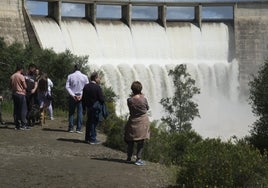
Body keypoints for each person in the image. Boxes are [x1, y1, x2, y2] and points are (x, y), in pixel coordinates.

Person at [124, 81, 150, 166]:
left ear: (132, 90)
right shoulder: (143, 99)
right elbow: (147, 108)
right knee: (141, 141)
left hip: (132, 121)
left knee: (131, 141)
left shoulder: (129, 100)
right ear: (140, 89)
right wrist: (142, 96)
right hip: (142, 122)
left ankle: (128, 158)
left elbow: (132, 104)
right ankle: (138, 159)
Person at [82, 72, 106, 144]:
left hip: (88, 107)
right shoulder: (97, 87)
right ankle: (93, 139)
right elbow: (101, 99)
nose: (99, 79)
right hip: (95, 108)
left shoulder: (86, 86)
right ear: (95, 78)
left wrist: (84, 108)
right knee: (93, 123)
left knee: (89, 122)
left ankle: (87, 138)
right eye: (98, 78)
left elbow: (83, 99)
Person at [66, 64, 89, 133]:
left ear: (74, 68)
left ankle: (71, 128)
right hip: (81, 96)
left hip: (72, 96)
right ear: (80, 69)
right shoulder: (85, 77)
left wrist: (73, 95)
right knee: (80, 113)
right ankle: (78, 129)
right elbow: (86, 87)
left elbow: (67, 87)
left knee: (71, 112)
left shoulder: (70, 76)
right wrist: (81, 95)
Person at [10, 64, 29, 130]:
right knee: (23, 110)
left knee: (16, 110)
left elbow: (10, 86)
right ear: (21, 69)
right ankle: (23, 125)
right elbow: (25, 86)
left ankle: (17, 125)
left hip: (14, 93)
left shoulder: (12, 76)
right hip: (20, 93)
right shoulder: (21, 76)